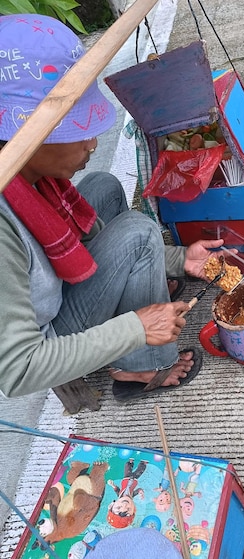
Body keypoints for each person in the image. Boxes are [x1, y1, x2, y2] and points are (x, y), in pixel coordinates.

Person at [0, 13, 224, 402]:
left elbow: (93, 227)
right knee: (138, 232)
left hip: (56, 284)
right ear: (25, 137)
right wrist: (136, 328)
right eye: (75, 130)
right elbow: (18, 370)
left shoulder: (20, 172)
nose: (91, 144)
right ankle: (142, 364)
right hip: (49, 331)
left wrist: (179, 259)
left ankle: (146, 279)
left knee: (103, 187)